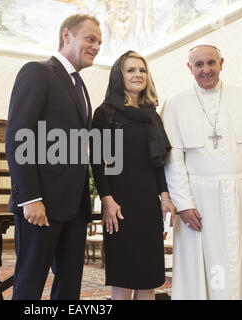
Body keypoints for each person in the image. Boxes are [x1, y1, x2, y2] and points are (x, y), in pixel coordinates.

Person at [161, 40, 242, 299]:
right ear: (189, 68)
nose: (206, 70)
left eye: (211, 63)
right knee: (202, 262)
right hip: (199, 201)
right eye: (199, 64)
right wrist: (183, 203)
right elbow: (174, 160)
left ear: (221, 64)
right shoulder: (175, 103)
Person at [5, 14, 102, 300]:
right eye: (90, 39)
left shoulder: (80, 86)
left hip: (75, 207)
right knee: (30, 281)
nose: (96, 47)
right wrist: (30, 197)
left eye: (99, 42)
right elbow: (18, 137)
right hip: (42, 204)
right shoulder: (38, 71)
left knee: (69, 285)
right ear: (66, 35)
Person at [91, 50, 175, 300]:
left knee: (149, 276)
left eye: (142, 70)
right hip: (119, 203)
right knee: (124, 275)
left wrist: (165, 196)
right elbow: (97, 161)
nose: (138, 74)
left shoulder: (152, 115)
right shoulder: (104, 113)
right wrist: (107, 198)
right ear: (119, 76)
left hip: (148, 203)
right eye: (131, 70)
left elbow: (158, 162)